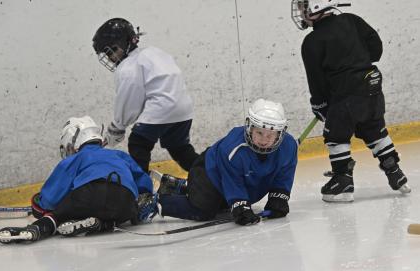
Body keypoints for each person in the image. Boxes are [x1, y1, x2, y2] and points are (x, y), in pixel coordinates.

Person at [291, 0, 411, 202]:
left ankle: (342, 182)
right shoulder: (352, 20)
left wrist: (320, 105)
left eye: (303, 7)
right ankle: (396, 173)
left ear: (316, 8)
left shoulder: (312, 42)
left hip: (346, 97)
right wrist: (358, 63)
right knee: (374, 129)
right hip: (372, 87)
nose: (301, 12)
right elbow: (376, 47)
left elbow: (317, 81)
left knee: (335, 135)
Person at [0, 116, 158, 244]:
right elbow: (145, 184)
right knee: (116, 214)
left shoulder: (77, 158)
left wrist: (39, 205)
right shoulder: (119, 155)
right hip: (125, 200)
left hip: (89, 194)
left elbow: (49, 199)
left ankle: (39, 228)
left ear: (73, 142)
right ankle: (102, 224)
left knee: (59, 213)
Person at [150, 99, 298, 225]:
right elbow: (233, 182)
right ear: (250, 127)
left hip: (229, 183)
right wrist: (240, 205)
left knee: (223, 205)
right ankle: (155, 202)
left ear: (279, 134)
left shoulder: (289, 146)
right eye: (259, 132)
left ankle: (179, 186)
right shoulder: (233, 149)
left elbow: (284, 175)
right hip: (209, 173)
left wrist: (279, 197)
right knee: (204, 210)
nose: (264, 140)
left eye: (270, 135)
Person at [92, 18, 199, 173]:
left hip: (162, 108)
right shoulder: (154, 52)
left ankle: (142, 192)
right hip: (184, 110)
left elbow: (130, 101)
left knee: (138, 144)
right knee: (180, 149)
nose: (110, 58)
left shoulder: (128, 66)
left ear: (125, 43)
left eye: (112, 51)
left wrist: (117, 127)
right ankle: (210, 176)